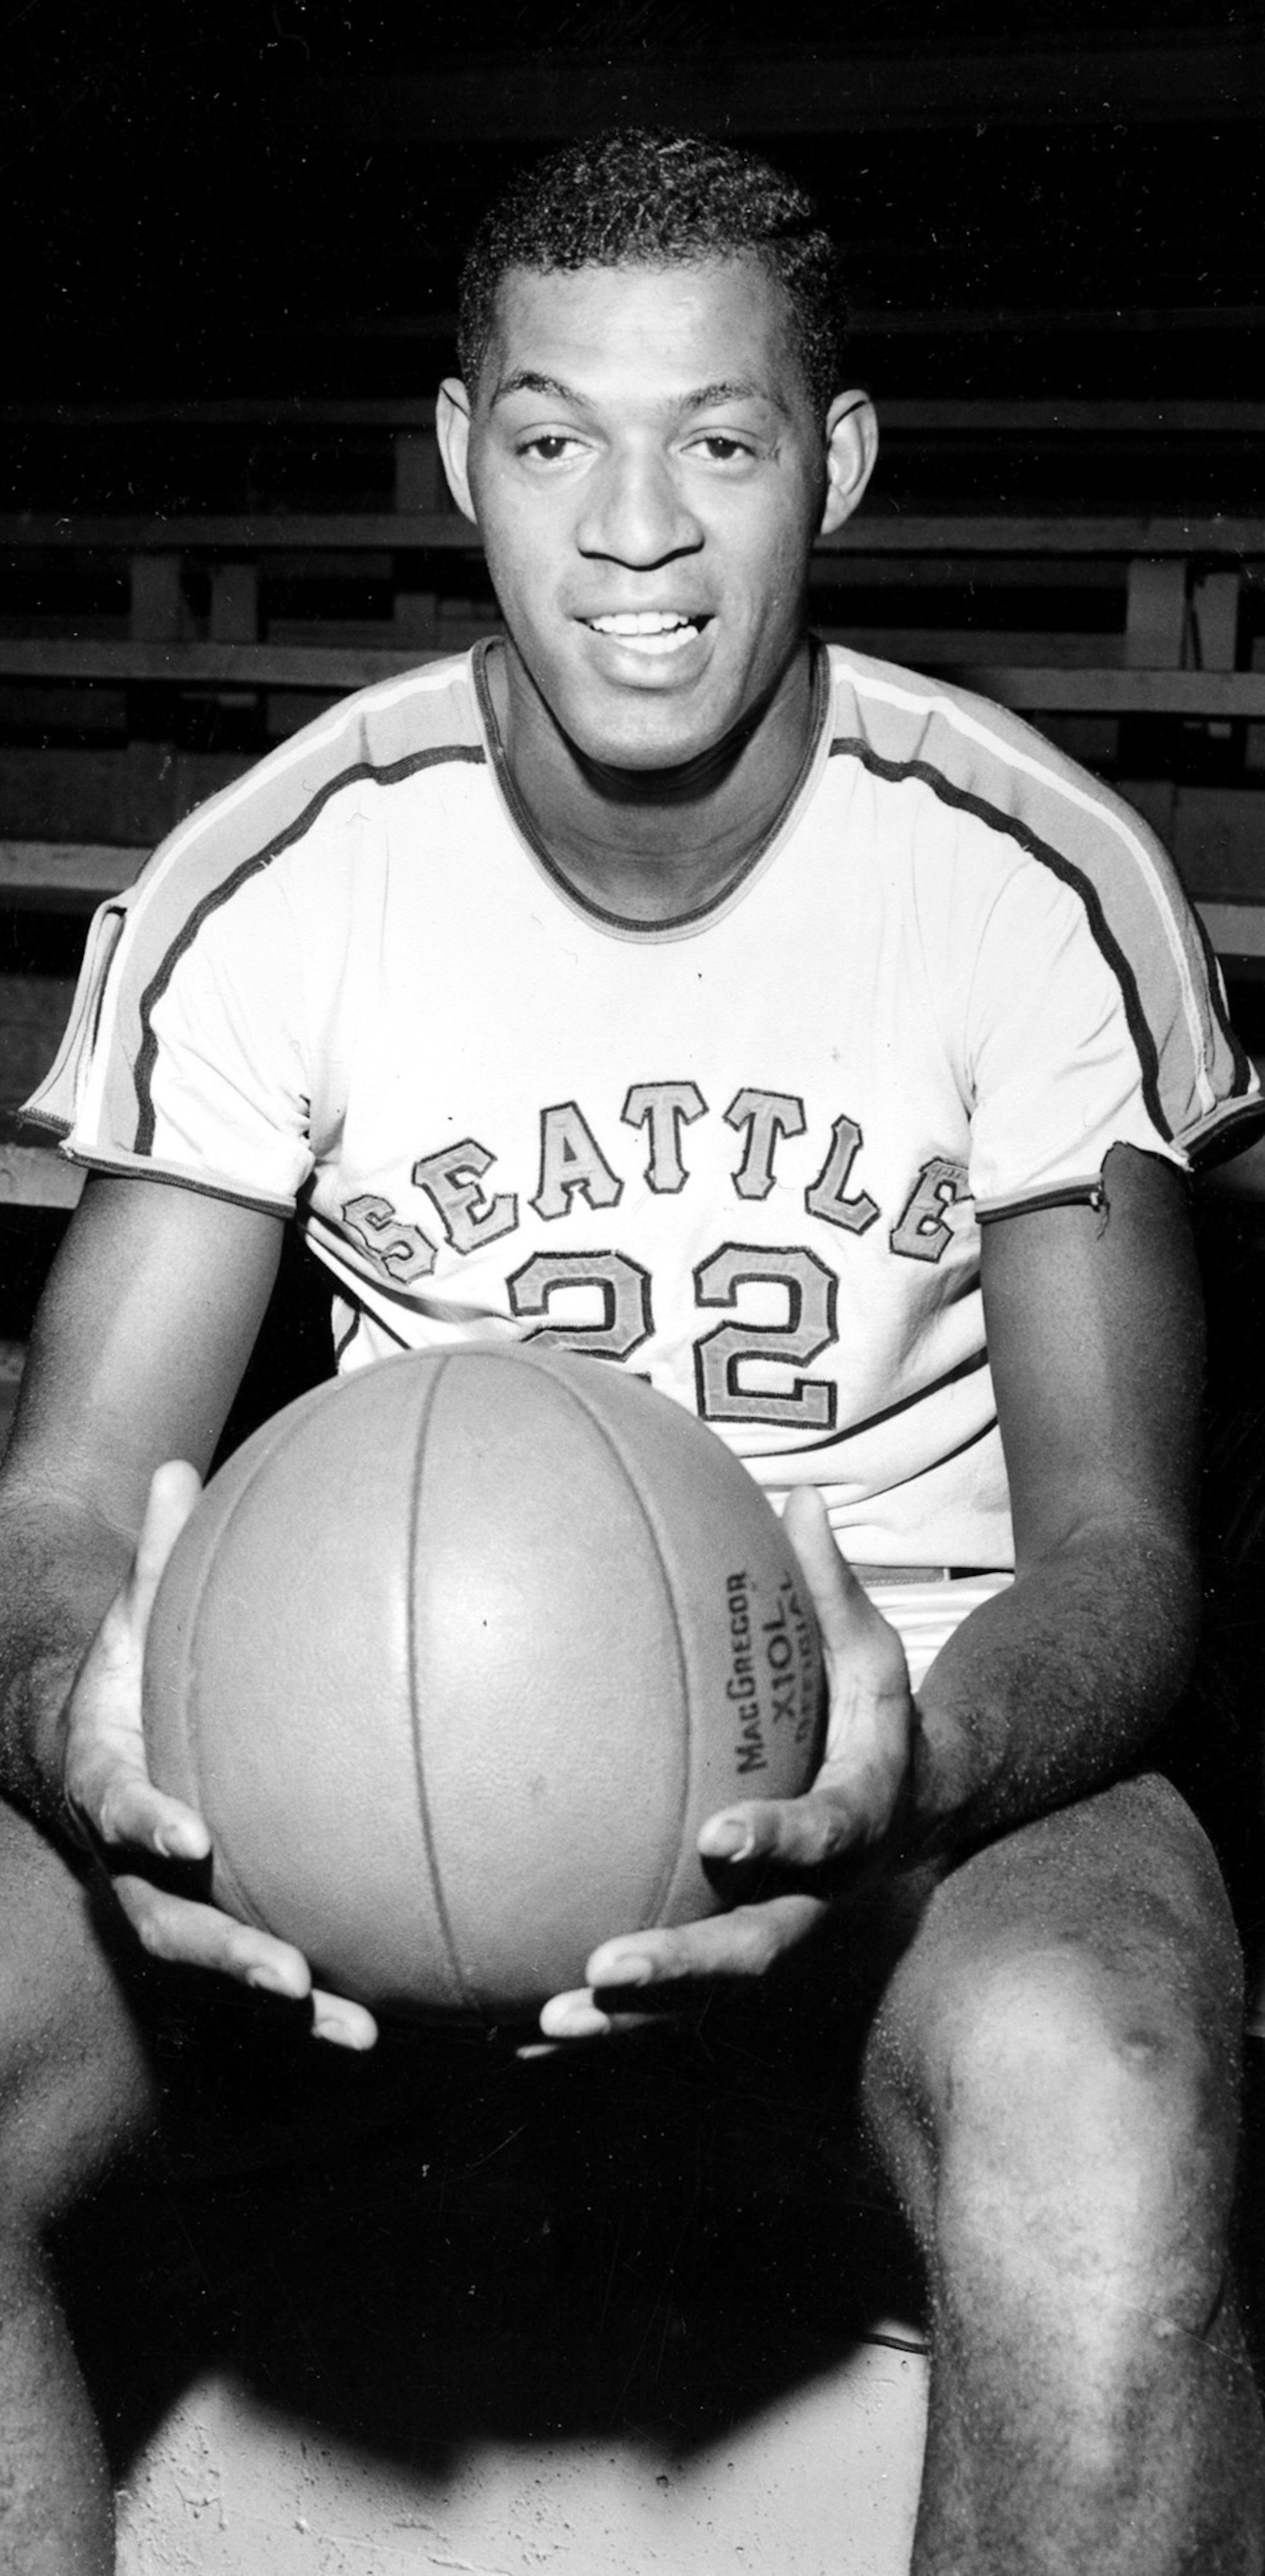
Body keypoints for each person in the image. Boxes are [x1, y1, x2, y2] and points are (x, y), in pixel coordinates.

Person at [2, 124, 1263, 2572]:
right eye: (562, 437)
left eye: (723, 437)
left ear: (843, 462)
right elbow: (61, 1504)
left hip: (921, 1717)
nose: (638, 533)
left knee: (1104, 2101)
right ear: (469, 454)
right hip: (360, 1747)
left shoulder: (1035, 881)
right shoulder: (279, 878)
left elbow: (1119, 1540)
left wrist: (917, 1766)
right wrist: (92, 1731)